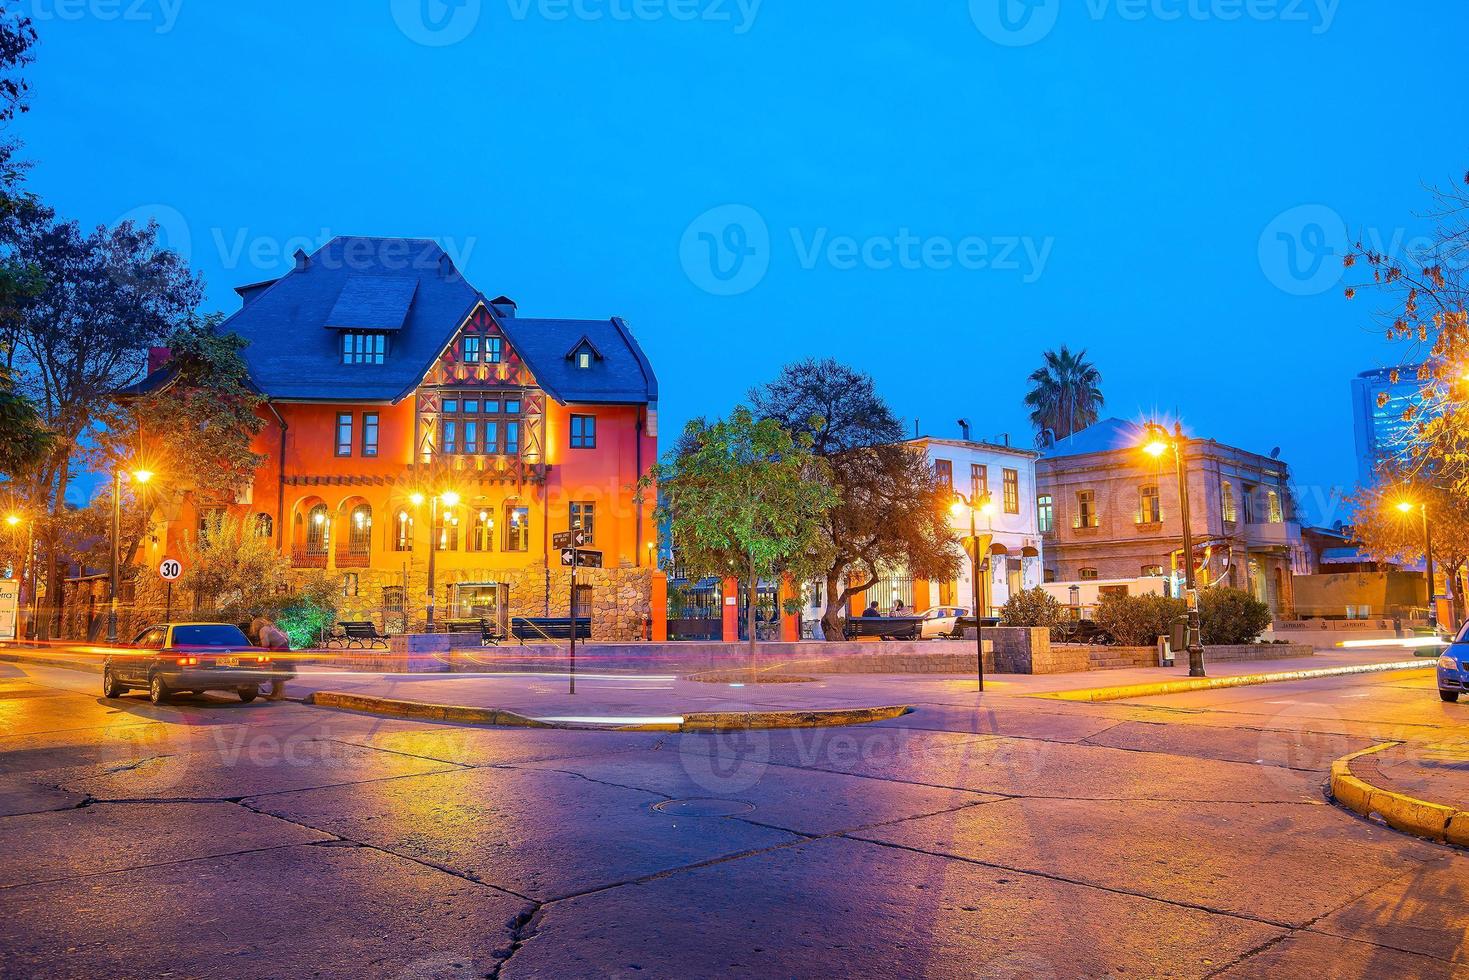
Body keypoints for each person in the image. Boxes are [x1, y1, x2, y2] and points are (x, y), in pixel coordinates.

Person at [250, 615, 293, 700]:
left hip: (279, 651)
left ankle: (279, 695)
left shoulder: (263, 630)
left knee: (278, 675)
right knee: (277, 674)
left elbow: (265, 644)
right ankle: (276, 694)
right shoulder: (269, 628)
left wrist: (258, 649)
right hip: (283, 650)